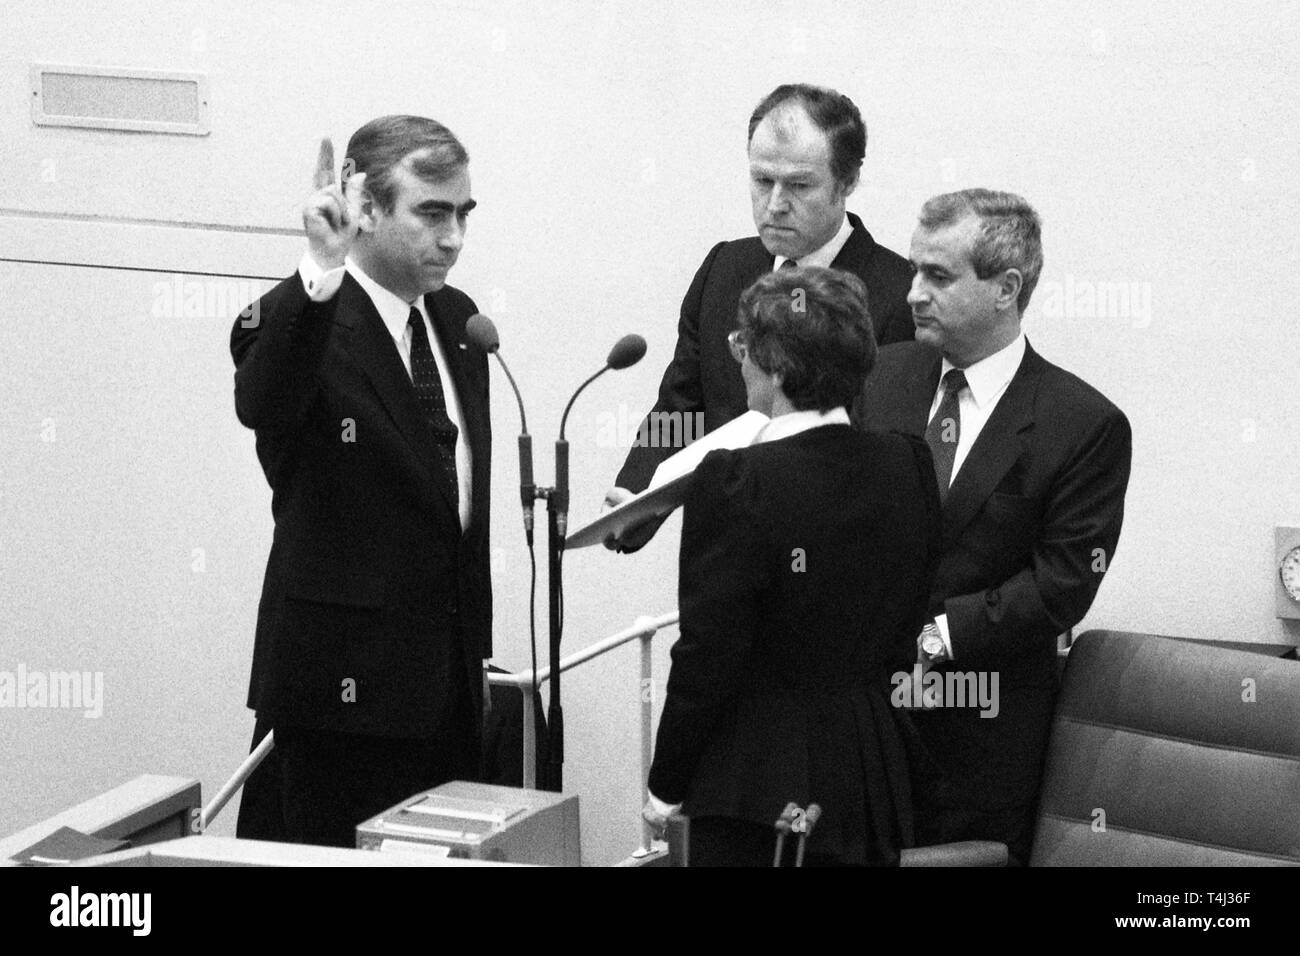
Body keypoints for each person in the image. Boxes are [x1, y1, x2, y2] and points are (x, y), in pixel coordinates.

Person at [229, 116, 492, 847]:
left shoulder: (459, 322)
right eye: (431, 214)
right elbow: (264, 399)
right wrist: (319, 269)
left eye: (462, 214)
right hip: (340, 703)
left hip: (449, 698)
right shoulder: (299, 319)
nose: (453, 238)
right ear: (366, 209)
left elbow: (453, 510)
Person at [860, 188, 1132, 864]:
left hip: (978, 735)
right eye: (915, 270)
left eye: (938, 277)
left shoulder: (1082, 424)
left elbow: (1062, 583)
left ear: (1006, 288)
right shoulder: (878, 375)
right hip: (863, 729)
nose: (913, 293)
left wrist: (937, 636)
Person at [643, 266, 942, 866]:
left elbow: (709, 652)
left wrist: (665, 782)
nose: (739, 363)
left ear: (775, 367)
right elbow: (910, 611)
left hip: (757, 780)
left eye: (742, 347)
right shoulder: (907, 463)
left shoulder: (736, 481)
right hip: (867, 769)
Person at [604, 83, 915, 548]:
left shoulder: (897, 294)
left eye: (800, 185)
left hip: (833, 559)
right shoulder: (723, 269)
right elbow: (683, 407)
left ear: (847, 183)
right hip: (724, 557)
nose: (775, 204)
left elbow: (888, 458)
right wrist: (638, 498)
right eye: (762, 180)